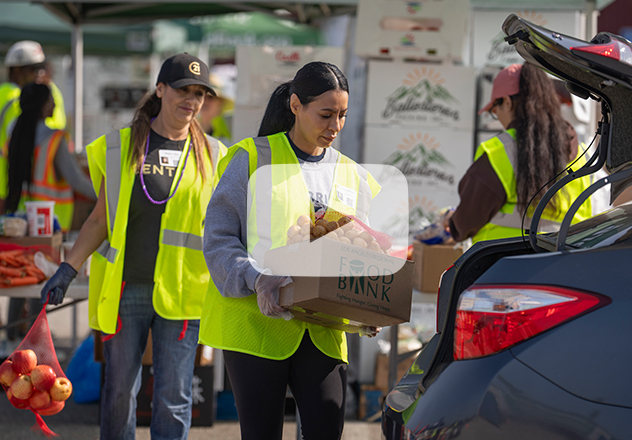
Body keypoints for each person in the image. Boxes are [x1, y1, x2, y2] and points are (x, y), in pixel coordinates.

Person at [40, 53, 226, 440]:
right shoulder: (120, 146)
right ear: (160, 90)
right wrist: (67, 268)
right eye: (182, 90)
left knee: (174, 398)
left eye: (199, 93)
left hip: (183, 294)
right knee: (120, 393)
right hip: (126, 291)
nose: (191, 100)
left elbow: (222, 229)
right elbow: (99, 220)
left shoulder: (214, 154)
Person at [200, 61, 379, 440]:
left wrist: (366, 302)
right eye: (326, 114)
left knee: (326, 430)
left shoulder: (351, 173)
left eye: (343, 115)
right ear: (296, 105)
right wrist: (256, 278)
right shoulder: (250, 157)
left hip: (322, 329)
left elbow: (361, 252)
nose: (335, 126)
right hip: (256, 326)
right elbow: (218, 238)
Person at [444, 63, 592, 244]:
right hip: (565, 264)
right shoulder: (582, 153)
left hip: (503, 266)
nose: (496, 114)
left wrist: (450, 221)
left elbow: (465, 222)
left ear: (507, 102)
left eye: (494, 108)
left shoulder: (500, 152)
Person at [4, 83, 95, 342]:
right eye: (52, 100)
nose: (55, 105)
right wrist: (106, 198)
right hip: (48, 225)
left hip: (20, 224)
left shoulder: (16, 133)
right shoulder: (55, 139)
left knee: (20, 283)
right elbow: (76, 181)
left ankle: (11, 340)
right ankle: (32, 342)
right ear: (44, 105)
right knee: (41, 283)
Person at [0, 41, 48, 212]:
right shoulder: (15, 99)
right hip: (6, 186)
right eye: (34, 70)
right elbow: (18, 143)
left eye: (41, 69)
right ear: (17, 69)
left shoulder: (3, 92)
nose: (39, 75)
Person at [198, 74, 234, 146]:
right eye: (201, 96)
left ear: (220, 103)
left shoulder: (231, 125)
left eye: (210, 98)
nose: (205, 101)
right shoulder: (189, 124)